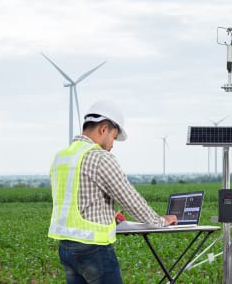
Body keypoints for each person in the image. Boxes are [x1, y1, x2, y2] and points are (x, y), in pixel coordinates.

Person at [48, 100, 177, 283]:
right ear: (103, 129)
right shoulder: (100, 157)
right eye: (114, 137)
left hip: (66, 248)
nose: (113, 144)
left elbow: (74, 199)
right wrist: (160, 221)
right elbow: (130, 200)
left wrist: (108, 214)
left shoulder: (61, 157)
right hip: (93, 249)